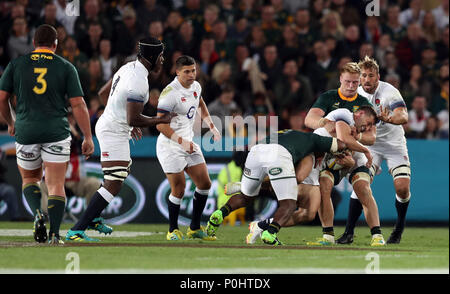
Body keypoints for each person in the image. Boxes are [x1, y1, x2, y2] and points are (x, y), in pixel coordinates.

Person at [65, 37, 175, 242]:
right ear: (152, 56)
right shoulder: (139, 81)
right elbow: (133, 117)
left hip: (113, 126)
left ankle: (94, 217)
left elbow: (103, 93)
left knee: (118, 176)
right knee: (114, 182)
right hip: (113, 131)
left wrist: (122, 118)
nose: (162, 60)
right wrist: (160, 119)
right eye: (160, 56)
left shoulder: (128, 67)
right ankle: (77, 230)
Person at [0, 24, 94, 244]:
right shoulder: (66, 67)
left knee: (30, 179)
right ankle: (54, 234)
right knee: (55, 184)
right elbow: (78, 104)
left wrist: (10, 122)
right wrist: (88, 136)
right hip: (56, 131)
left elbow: (2, 98)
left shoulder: (16, 65)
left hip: (26, 130)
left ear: (33, 43)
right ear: (55, 44)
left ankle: (37, 214)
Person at [205, 129, 349, 246]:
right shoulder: (314, 140)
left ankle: (219, 213)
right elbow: (341, 144)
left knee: (245, 197)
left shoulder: (291, 133)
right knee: (289, 204)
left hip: (256, 152)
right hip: (279, 155)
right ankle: (270, 232)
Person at [304, 62, 386, 246]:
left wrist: (358, 135)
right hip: (333, 154)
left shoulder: (364, 104)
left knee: (363, 189)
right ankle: (328, 236)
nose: (351, 86)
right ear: (340, 79)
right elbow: (309, 119)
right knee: (324, 186)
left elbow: (372, 137)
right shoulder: (329, 97)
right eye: (347, 81)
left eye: (355, 83)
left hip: (355, 154)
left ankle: (377, 236)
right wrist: (325, 123)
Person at [337, 56, 410, 245]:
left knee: (402, 189)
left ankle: (399, 228)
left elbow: (403, 116)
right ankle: (348, 232)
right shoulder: (357, 95)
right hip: (371, 146)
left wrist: (389, 119)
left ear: (378, 77)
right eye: (363, 75)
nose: (367, 79)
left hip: (394, 144)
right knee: (360, 184)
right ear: (359, 78)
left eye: (371, 75)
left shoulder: (389, 92)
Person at [156, 55, 221, 241]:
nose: (191, 75)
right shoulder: (170, 93)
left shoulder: (196, 86)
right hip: (170, 146)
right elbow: (160, 125)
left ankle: (194, 228)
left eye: (193, 70)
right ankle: (172, 230)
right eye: (187, 71)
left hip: (189, 143)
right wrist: (181, 142)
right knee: (179, 188)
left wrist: (211, 125)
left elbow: (199, 102)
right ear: (177, 72)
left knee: (205, 184)